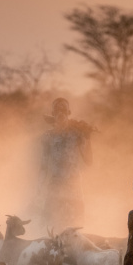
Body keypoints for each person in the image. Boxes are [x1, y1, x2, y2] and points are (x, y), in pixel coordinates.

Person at [38, 98, 94, 230]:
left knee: (76, 227)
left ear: (69, 112)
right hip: (55, 185)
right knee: (50, 227)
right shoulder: (48, 137)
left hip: (73, 185)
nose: (60, 113)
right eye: (57, 110)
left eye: (63, 110)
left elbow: (88, 161)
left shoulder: (77, 134)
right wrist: (39, 190)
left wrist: (88, 138)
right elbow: (44, 166)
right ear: (53, 113)